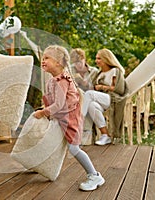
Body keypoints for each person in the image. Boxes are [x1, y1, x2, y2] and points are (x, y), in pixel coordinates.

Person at [34, 45, 105, 191]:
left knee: (74, 149)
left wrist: (43, 112)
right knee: (48, 140)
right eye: (42, 58)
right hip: (60, 118)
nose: (43, 60)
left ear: (58, 62)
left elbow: (59, 105)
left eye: (47, 58)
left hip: (69, 119)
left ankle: (94, 175)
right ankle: (39, 164)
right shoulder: (53, 80)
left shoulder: (62, 81)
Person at [81, 48, 126, 145]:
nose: (96, 61)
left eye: (99, 59)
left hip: (112, 98)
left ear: (106, 59)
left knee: (89, 94)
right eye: (96, 59)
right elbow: (93, 87)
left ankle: (79, 120)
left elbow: (117, 88)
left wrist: (102, 86)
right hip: (103, 99)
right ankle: (105, 135)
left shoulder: (115, 70)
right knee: (91, 105)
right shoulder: (100, 73)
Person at [70, 48, 99, 145]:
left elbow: (97, 89)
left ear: (84, 59)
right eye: (75, 62)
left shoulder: (94, 71)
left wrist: (86, 84)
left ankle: (86, 138)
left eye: (80, 61)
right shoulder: (70, 71)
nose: (78, 65)